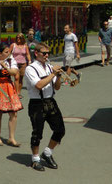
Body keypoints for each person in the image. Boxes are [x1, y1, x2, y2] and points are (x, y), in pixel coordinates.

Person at [24, 43, 65, 171]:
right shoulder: (30, 68)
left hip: (50, 101)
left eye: (48, 53)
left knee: (60, 130)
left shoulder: (48, 66)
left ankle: (47, 153)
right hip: (37, 104)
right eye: (44, 53)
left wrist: (58, 76)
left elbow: (57, 87)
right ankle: (35, 159)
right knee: (37, 133)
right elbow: (39, 85)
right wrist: (53, 74)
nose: (47, 55)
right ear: (36, 53)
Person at [9, 33, 31, 98]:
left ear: (22, 39)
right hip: (15, 63)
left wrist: (29, 61)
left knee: (21, 78)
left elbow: (27, 54)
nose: (18, 39)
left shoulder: (25, 46)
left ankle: (19, 92)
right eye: (17, 38)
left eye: (20, 38)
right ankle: (15, 93)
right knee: (16, 78)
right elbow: (8, 53)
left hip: (23, 63)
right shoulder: (13, 45)